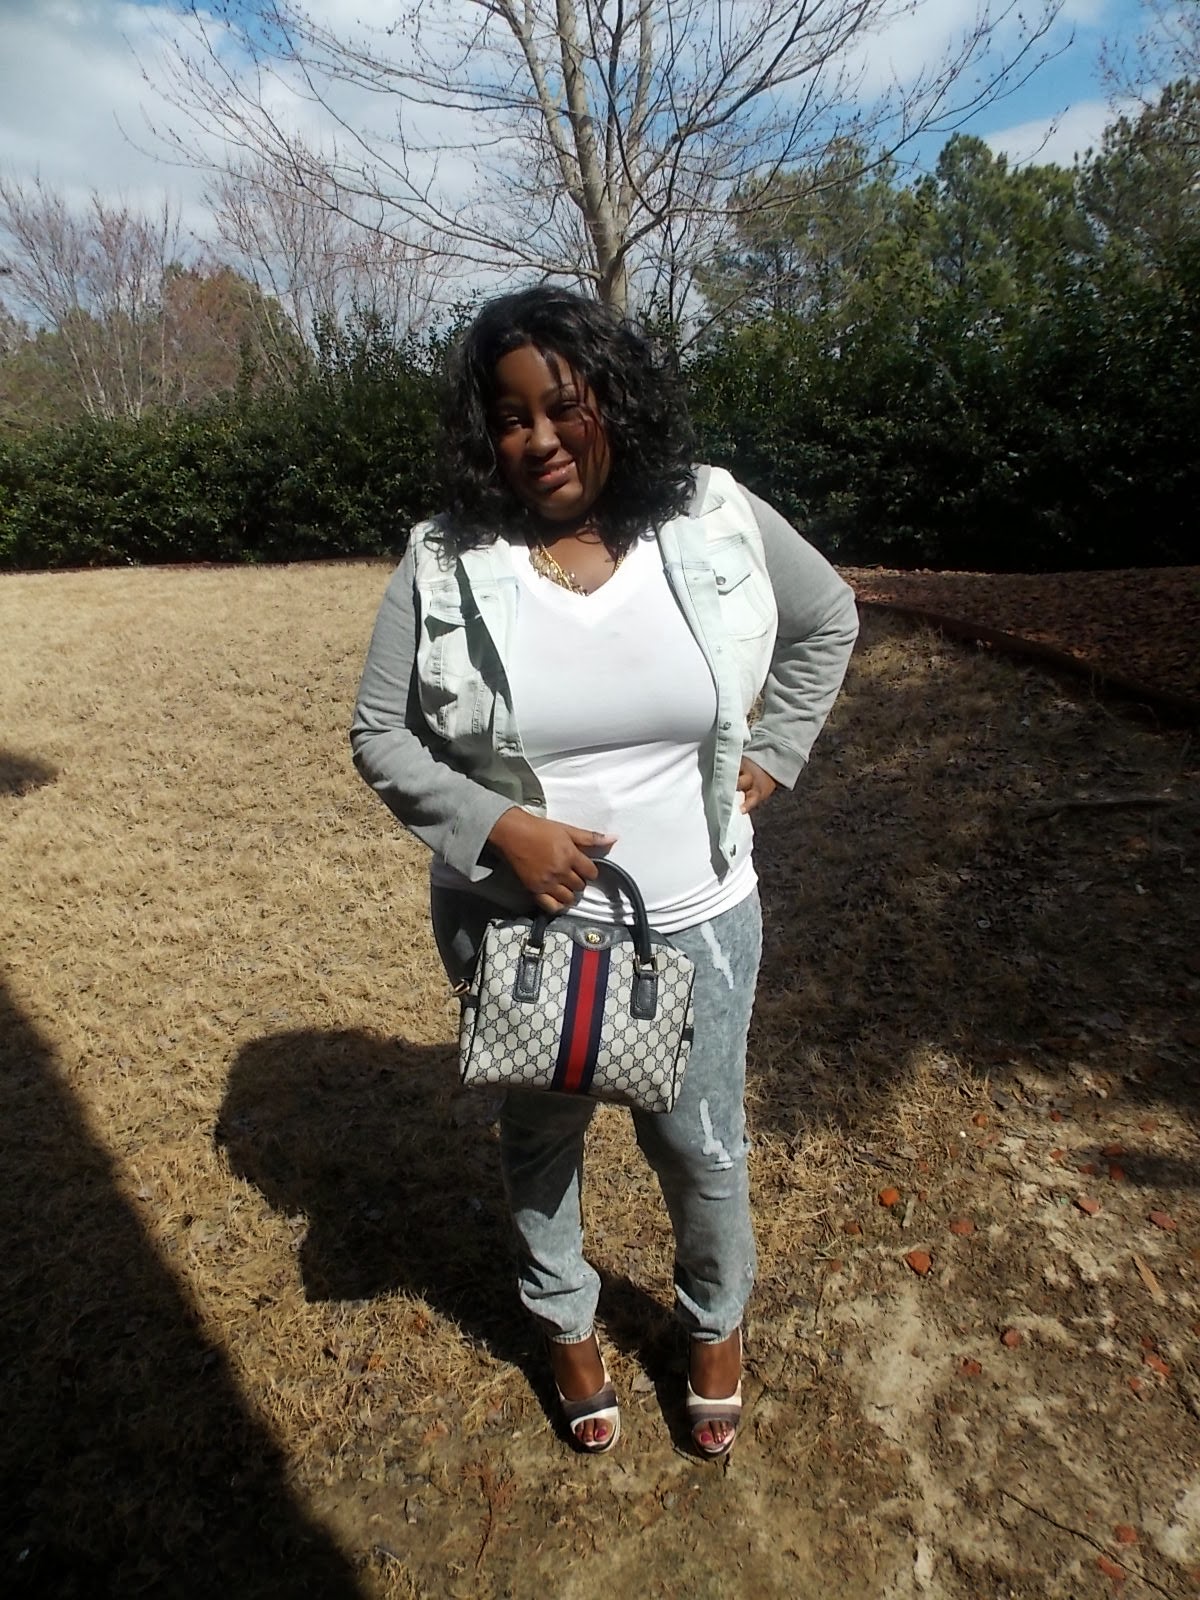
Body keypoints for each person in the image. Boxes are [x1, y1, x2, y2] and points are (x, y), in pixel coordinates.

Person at [351, 286, 858, 1457]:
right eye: (510, 418)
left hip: (700, 915)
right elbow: (380, 732)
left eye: (564, 406)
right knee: (543, 1138)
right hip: (522, 926)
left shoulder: (711, 511)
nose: (539, 439)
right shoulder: (446, 556)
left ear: (614, 402)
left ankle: (714, 1322)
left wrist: (779, 748)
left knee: (700, 1142)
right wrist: (498, 826)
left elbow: (827, 615)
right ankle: (565, 1322)